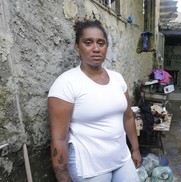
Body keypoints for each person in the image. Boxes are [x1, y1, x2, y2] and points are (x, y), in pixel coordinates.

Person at [47, 20, 141, 182]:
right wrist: (64, 179)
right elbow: (59, 139)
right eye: (88, 43)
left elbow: (128, 116)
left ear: (106, 47)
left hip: (121, 159)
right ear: (77, 47)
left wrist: (136, 149)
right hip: (89, 168)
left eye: (101, 43)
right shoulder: (66, 83)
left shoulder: (117, 79)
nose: (96, 48)